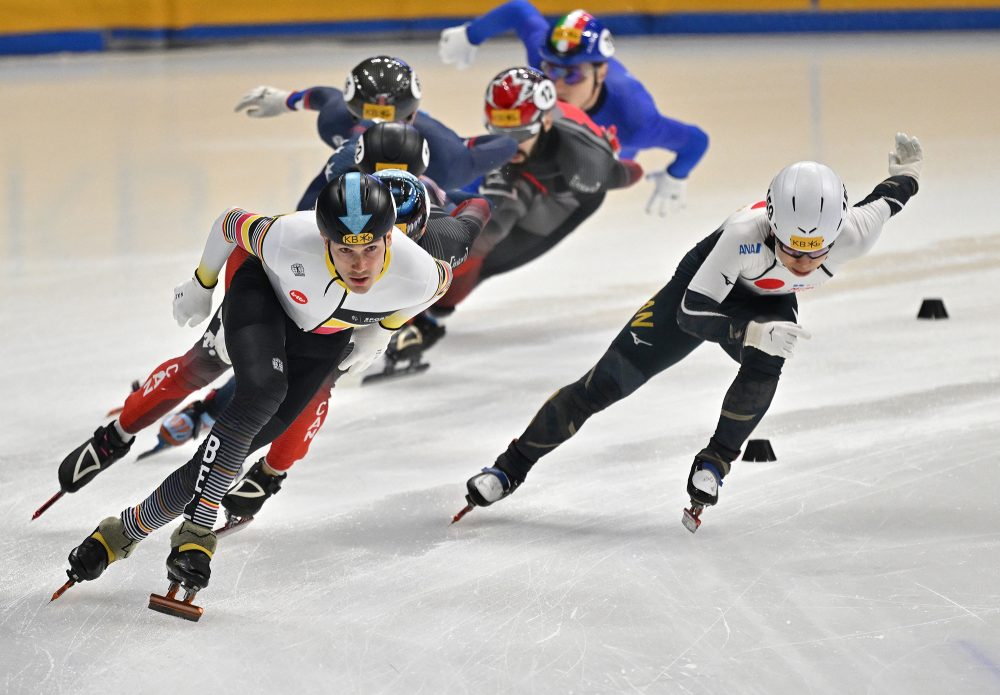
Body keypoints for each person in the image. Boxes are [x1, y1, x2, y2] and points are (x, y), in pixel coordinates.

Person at [454, 133, 923, 531]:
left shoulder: (855, 233)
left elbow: (891, 196)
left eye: (814, 252)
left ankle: (715, 462)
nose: (801, 262)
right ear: (771, 226)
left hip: (768, 300)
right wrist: (747, 332)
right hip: (697, 290)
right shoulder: (744, 233)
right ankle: (509, 468)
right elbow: (691, 315)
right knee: (601, 386)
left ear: (836, 233)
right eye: (789, 248)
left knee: (770, 359)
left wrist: (910, 172)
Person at [59, 172, 455, 599]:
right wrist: (201, 283)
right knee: (262, 392)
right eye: (344, 251)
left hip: (321, 338)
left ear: (390, 241)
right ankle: (197, 531)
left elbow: (440, 282)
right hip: (261, 294)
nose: (359, 265)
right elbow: (230, 223)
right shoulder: (288, 237)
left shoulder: (420, 274)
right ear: (324, 241)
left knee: (233, 449)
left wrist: (385, 328)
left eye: (370, 250)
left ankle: (122, 532)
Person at [391, 66, 642, 358]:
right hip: (523, 174)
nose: (509, 143)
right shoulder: (519, 141)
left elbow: (627, 174)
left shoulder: (586, 164)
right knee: (466, 231)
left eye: (520, 133)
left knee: (483, 252)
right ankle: (418, 306)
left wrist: (615, 162)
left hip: (564, 198)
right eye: (499, 131)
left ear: (546, 120)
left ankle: (428, 315)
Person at [438, 5, 708, 216]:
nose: (556, 83)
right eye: (551, 69)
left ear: (600, 72)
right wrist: (471, 35)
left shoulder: (635, 122)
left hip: (601, 154)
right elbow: (519, 11)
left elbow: (696, 140)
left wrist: (676, 175)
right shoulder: (542, 64)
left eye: (572, 75)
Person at [234, 55, 517, 206]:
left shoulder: (446, 159)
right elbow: (502, 145)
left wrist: (288, 100)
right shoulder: (448, 156)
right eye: (370, 120)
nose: (378, 131)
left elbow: (323, 96)